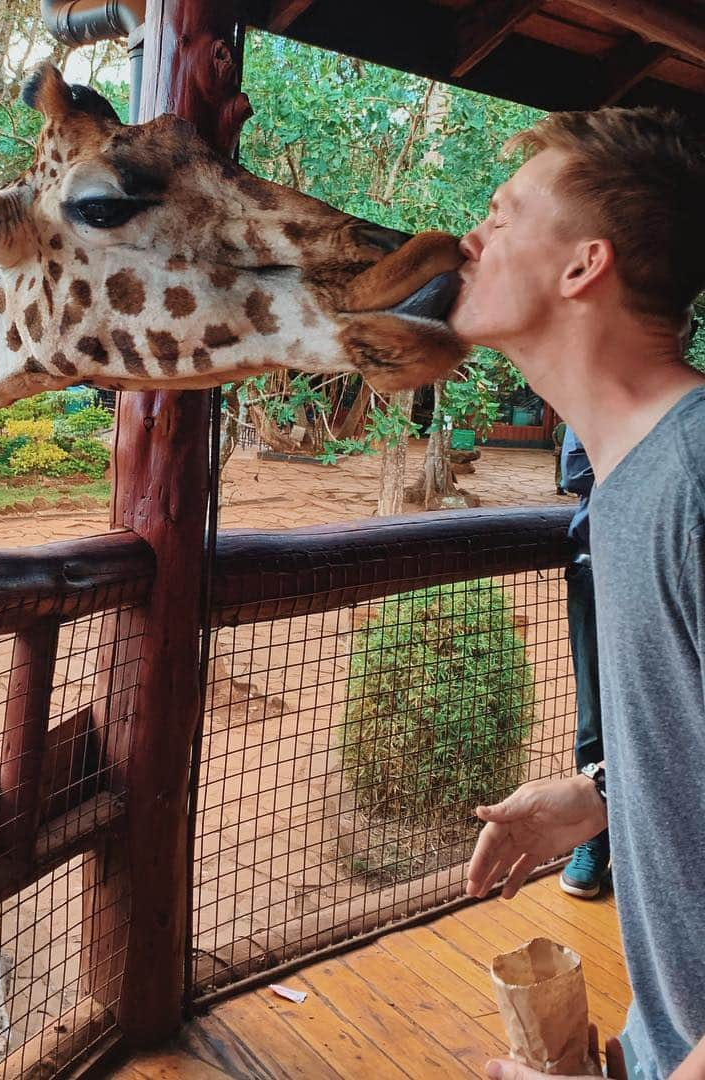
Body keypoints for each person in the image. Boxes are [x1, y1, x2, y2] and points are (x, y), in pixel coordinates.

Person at [449, 108, 705, 1080]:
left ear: (581, 266)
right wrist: (602, 795)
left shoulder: (695, 484)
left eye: (506, 213)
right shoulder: (633, 486)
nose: (474, 235)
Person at [558, 425, 609, 899]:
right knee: (592, 714)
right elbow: (573, 472)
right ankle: (593, 840)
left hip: (666, 566)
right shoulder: (583, 402)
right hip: (595, 571)